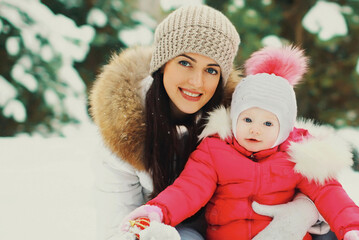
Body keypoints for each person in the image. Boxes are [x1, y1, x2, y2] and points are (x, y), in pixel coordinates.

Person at [90, 4, 335, 240]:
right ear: (163, 64)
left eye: (211, 70)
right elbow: (116, 228)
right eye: (185, 63)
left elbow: (300, 158)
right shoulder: (123, 132)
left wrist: (305, 209)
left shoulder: (240, 117)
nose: (197, 82)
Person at [120, 45, 359, 240]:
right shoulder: (215, 150)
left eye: (268, 124)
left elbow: (330, 193)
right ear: (234, 116)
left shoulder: (299, 154)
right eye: (247, 118)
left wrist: (352, 229)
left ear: (285, 128)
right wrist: (157, 210)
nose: (255, 129)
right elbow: (188, 189)